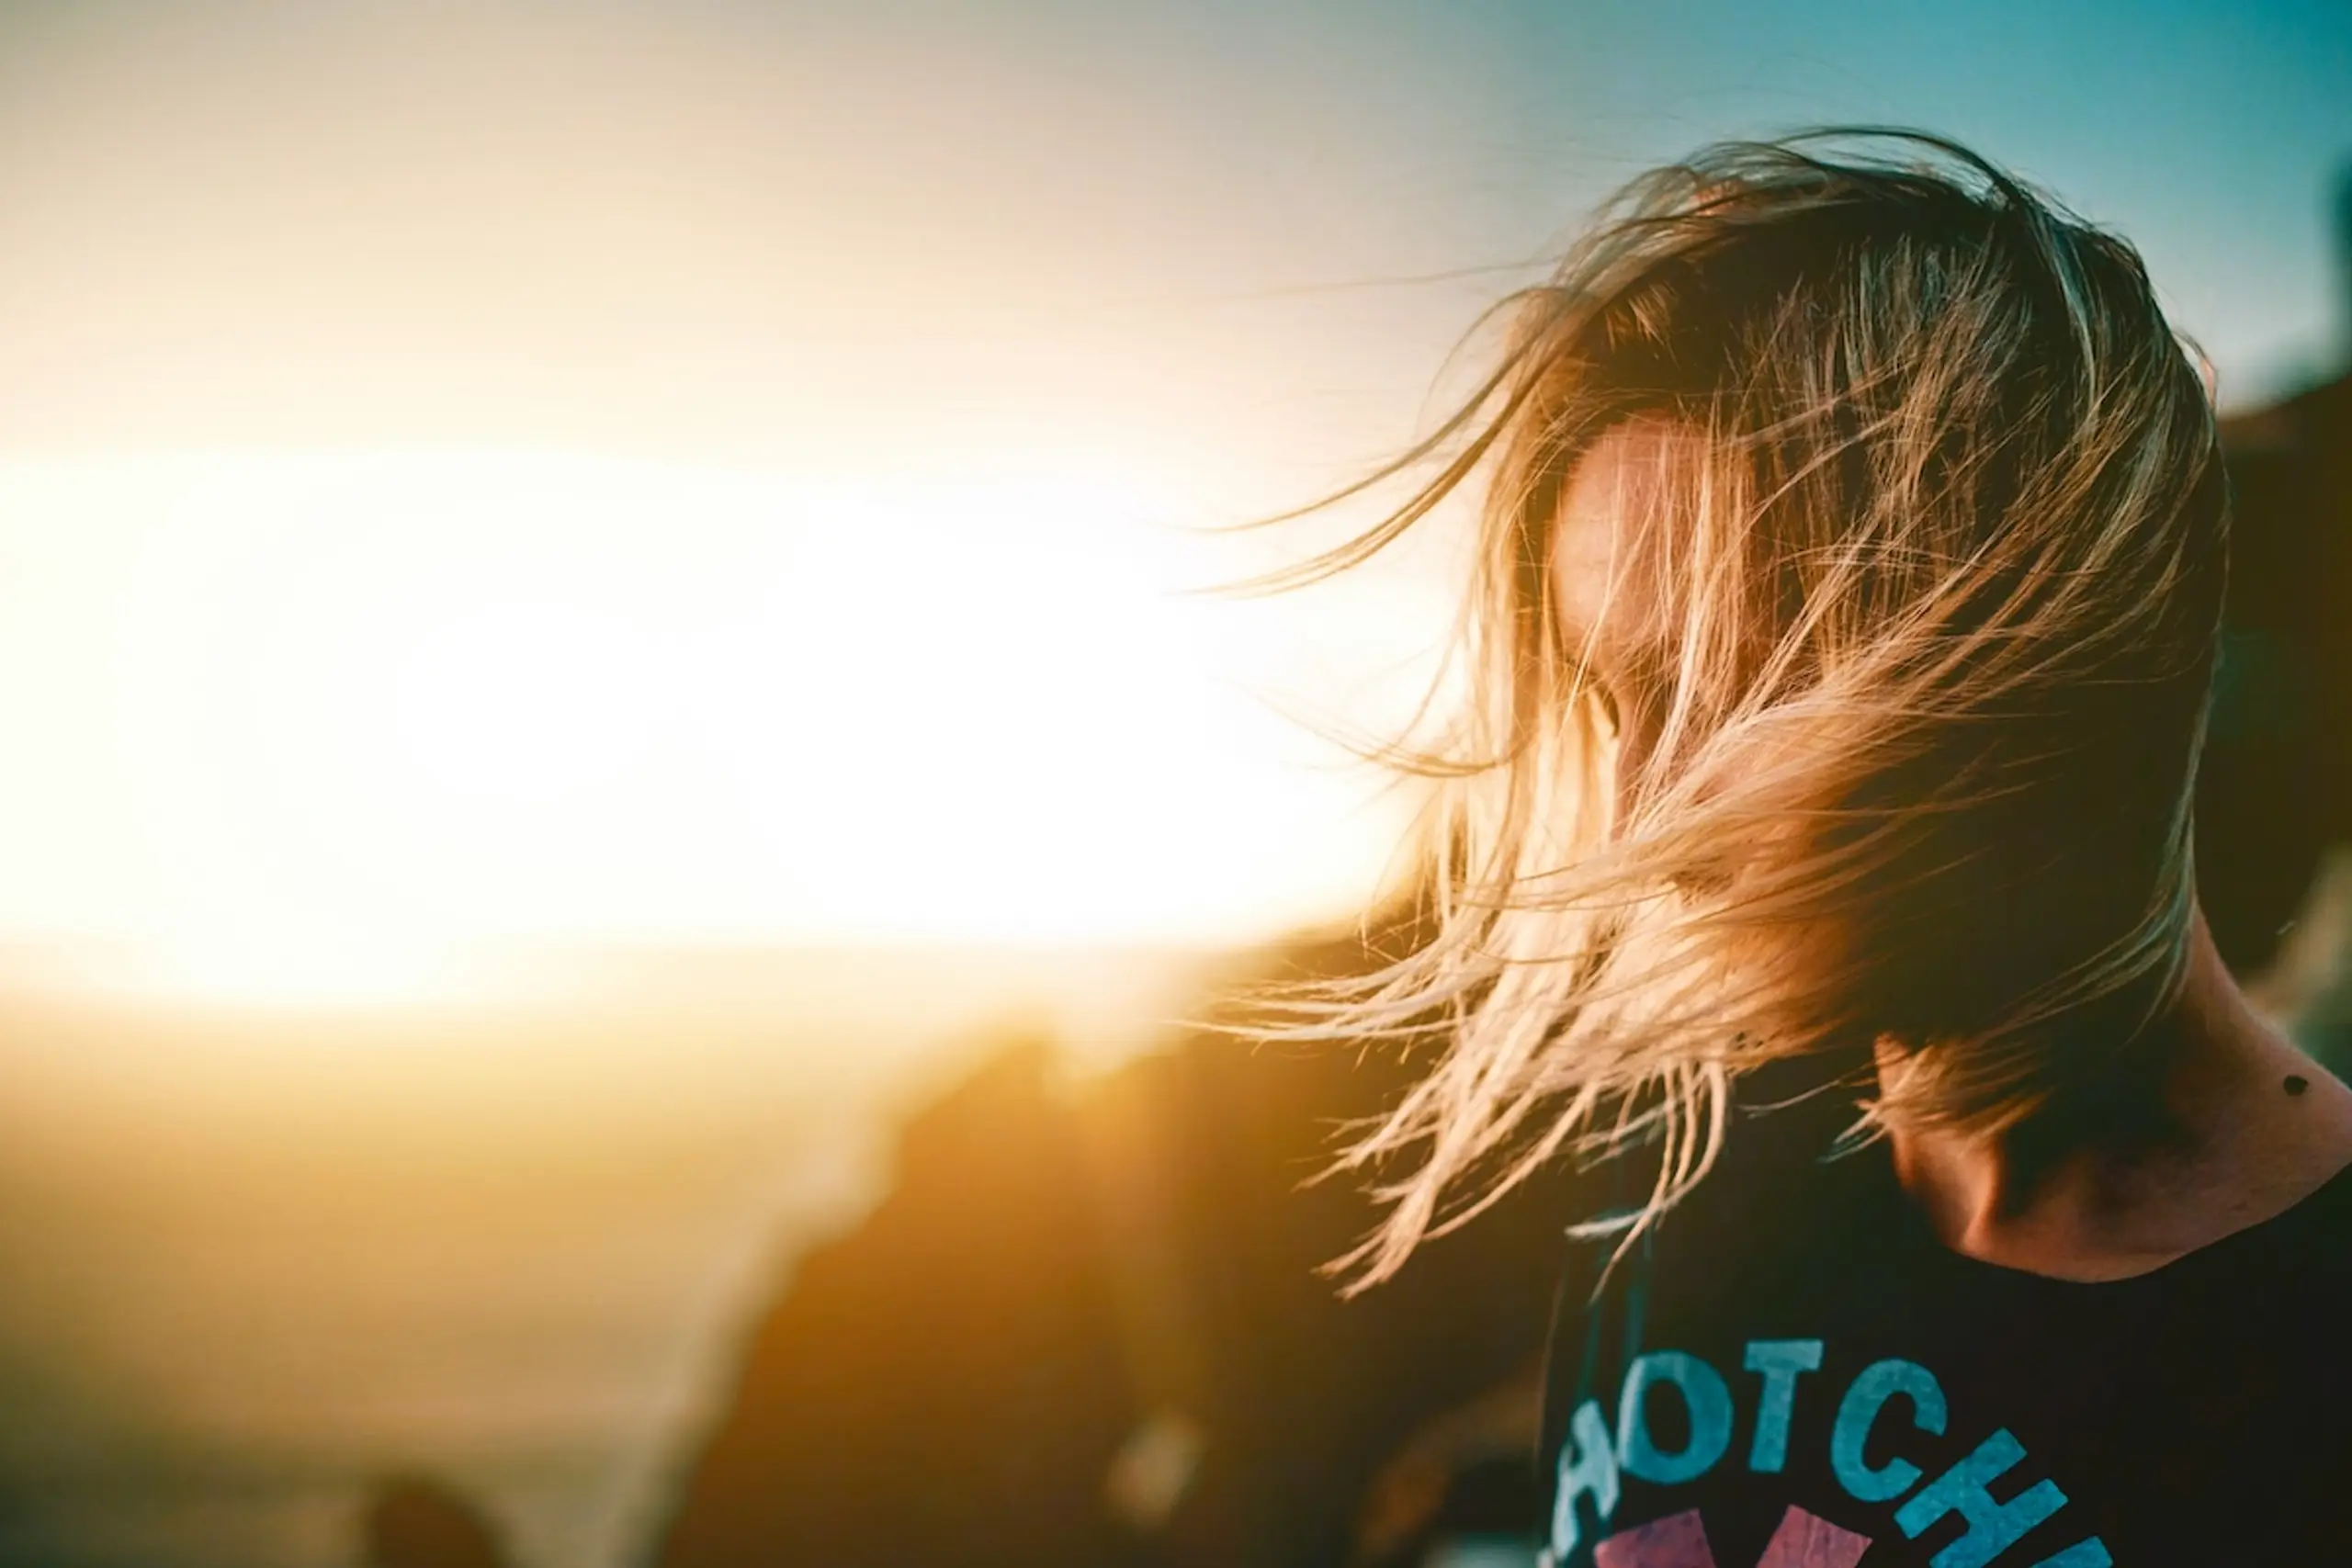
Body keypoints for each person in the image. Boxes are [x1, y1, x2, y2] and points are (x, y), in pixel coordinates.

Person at [1265, 130, 2352, 1566]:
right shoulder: (1688, 1170)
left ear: (2033, 657)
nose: (1642, 823)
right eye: (1617, 703)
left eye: (1724, 694)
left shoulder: (2308, 1352)